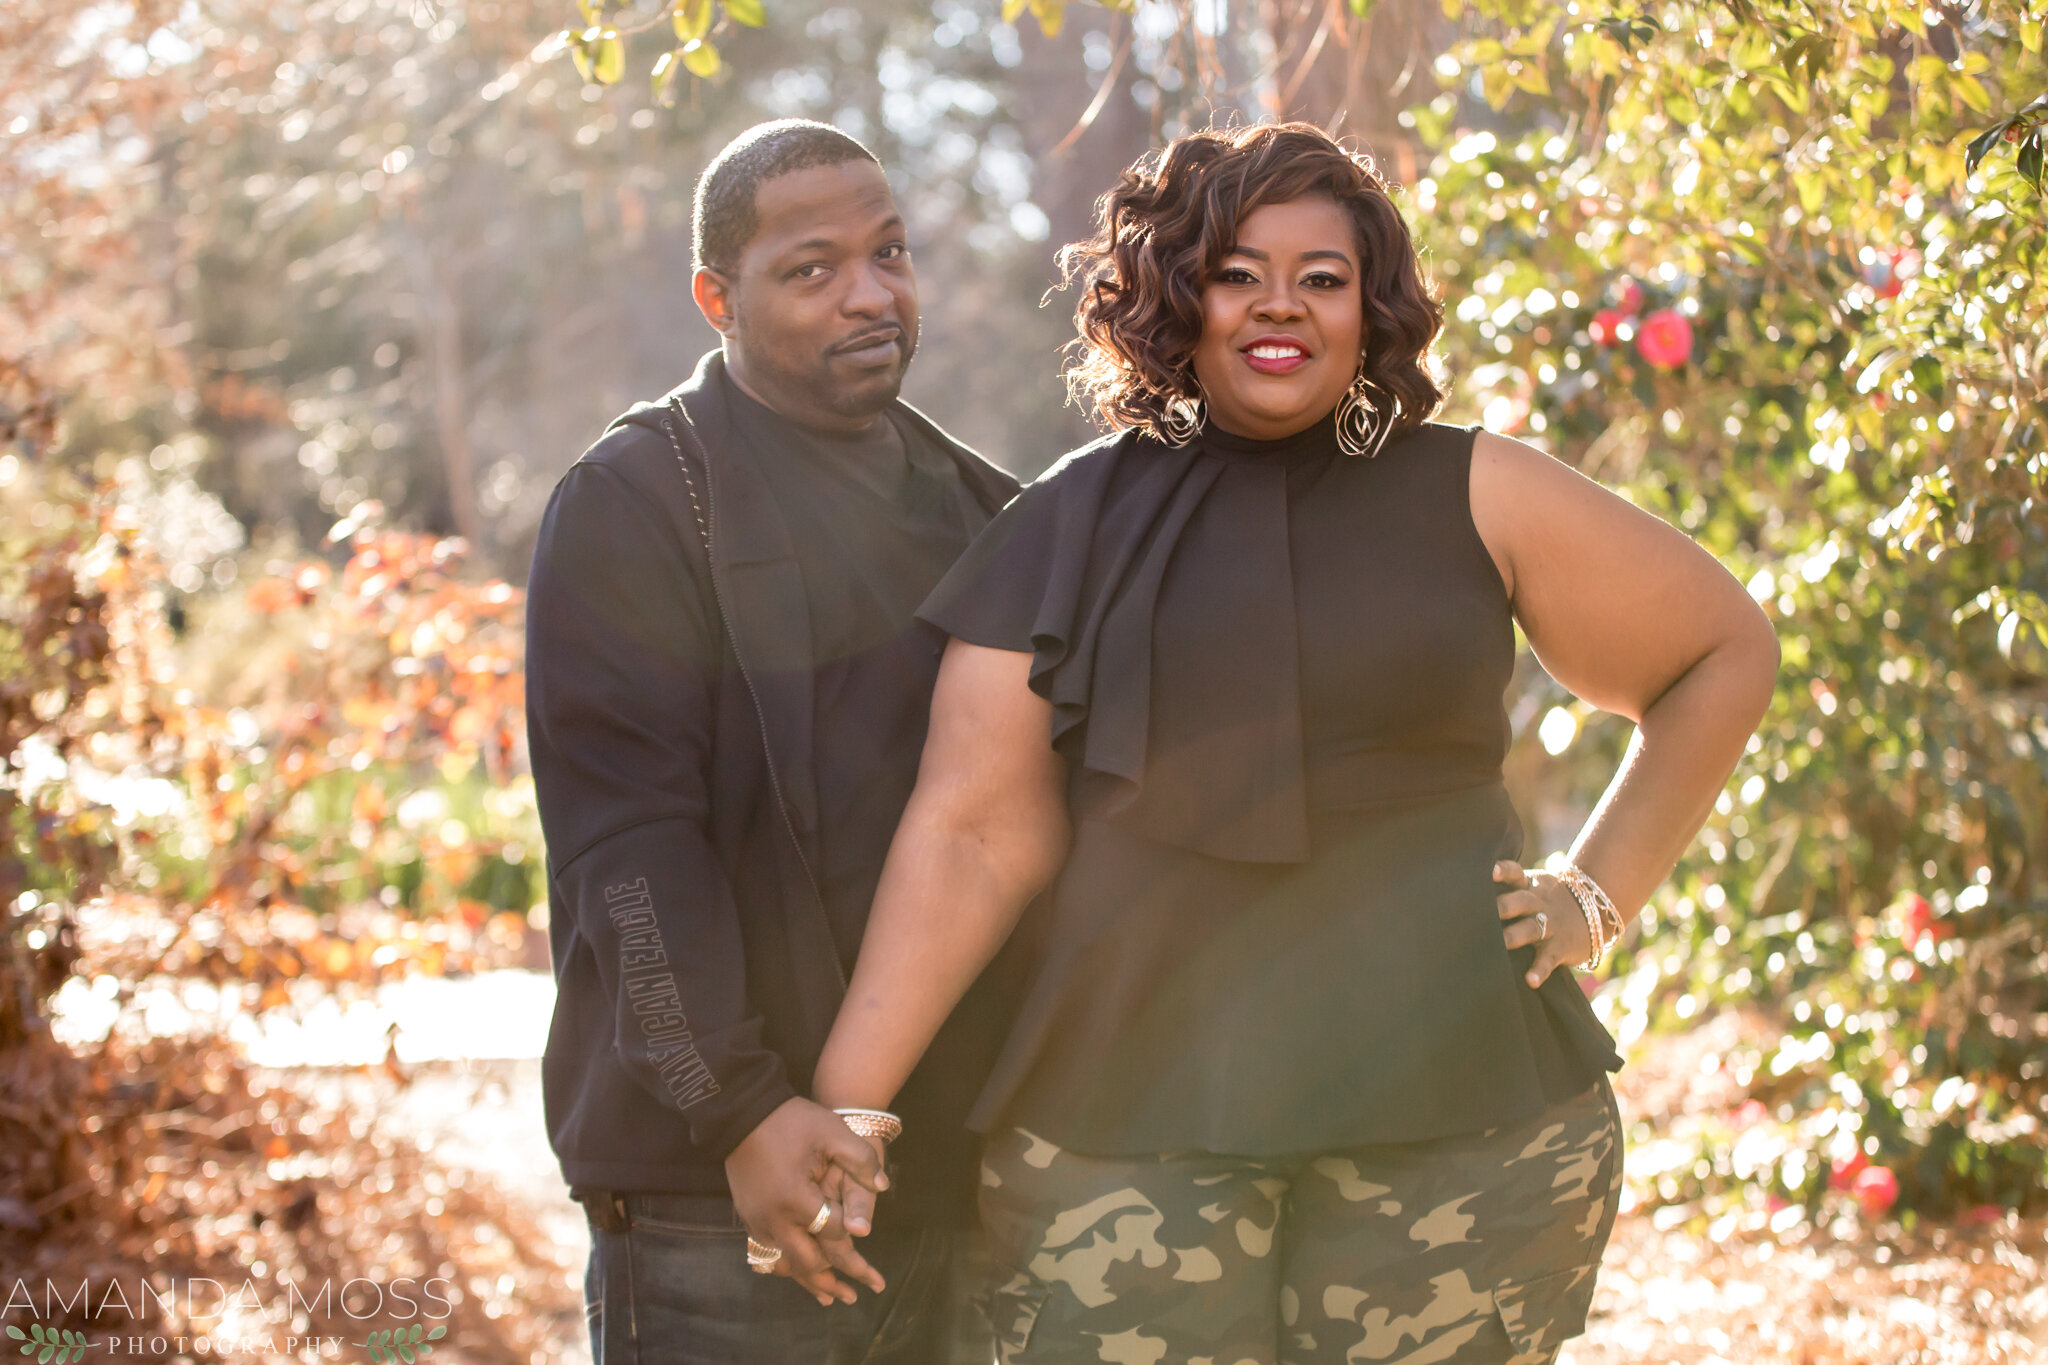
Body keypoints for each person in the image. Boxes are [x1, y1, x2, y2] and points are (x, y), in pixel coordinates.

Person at [803, 122, 1781, 1364]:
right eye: (1235, 271)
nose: (1281, 307)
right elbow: (970, 833)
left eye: (1322, 277)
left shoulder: (1478, 490)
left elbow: (1719, 650)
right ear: (1174, 295)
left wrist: (1595, 894)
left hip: (1462, 1134)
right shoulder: (1063, 521)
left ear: (1368, 306)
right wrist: (849, 1100)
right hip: (1122, 1136)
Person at [524, 118, 1018, 1364]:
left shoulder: (985, 509)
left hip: (951, 1167)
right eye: (811, 269)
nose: (870, 295)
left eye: (889, 254)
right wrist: (739, 1108)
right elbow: (623, 852)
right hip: (713, 1191)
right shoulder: (637, 503)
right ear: (716, 298)